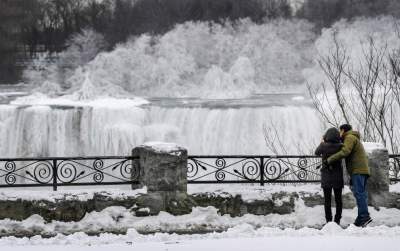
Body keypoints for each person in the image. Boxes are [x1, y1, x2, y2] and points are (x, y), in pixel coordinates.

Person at [327, 124, 372, 227]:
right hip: (361, 170)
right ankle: (361, 217)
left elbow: (345, 151)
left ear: (343, 130)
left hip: (358, 170)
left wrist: (330, 159)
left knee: (359, 193)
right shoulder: (353, 137)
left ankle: (364, 216)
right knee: (361, 194)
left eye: (340, 131)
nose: (339, 133)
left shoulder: (349, 137)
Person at [315, 127, 344, 225]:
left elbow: (316, 152)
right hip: (337, 176)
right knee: (338, 200)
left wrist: (322, 141)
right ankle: (337, 220)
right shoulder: (340, 146)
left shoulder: (323, 145)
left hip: (326, 176)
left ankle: (328, 221)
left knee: (327, 200)